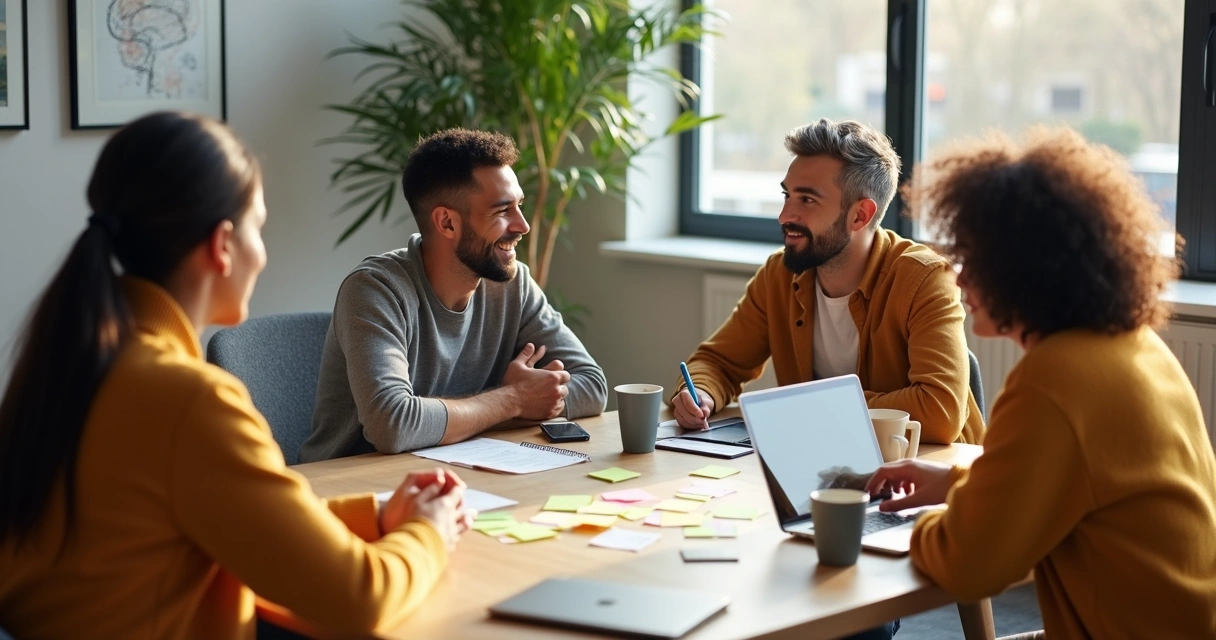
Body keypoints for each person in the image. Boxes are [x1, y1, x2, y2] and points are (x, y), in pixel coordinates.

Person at [0, 112, 471, 639]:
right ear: (222, 245)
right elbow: (360, 598)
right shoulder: (187, 401)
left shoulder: (73, 363)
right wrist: (428, 532)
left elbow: (219, 515)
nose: (262, 254)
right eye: (258, 228)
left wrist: (377, 518)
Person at [866, 127, 1216, 639]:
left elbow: (966, 566)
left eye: (974, 261)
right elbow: (1072, 481)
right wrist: (955, 482)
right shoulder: (1135, 345)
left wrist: (904, 526)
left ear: (1024, 269)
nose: (959, 279)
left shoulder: (1052, 380)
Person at [301, 128, 607, 462]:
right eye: (502, 211)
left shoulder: (513, 285)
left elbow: (592, 385)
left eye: (519, 206)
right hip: (355, 483)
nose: (523, 225)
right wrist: (514, 399)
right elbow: (392, 424)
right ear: (447, 223)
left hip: (464, 473)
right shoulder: (376, 290)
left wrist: (520, 403)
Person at [673, 119, 984, 445]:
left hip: (927, 467)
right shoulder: (780, 275)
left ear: (860, 215)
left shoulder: (924, 279)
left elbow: (940, 412)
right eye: (787, 195)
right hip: (823, 457)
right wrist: (700, 393)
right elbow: (718, 362)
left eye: (807, 200)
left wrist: (812, 406)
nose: (784, 216)